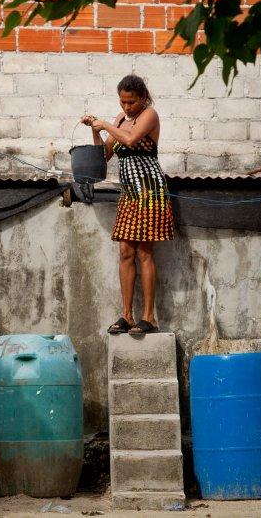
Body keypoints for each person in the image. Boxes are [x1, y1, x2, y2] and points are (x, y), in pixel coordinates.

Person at [81, 74, 174, 336]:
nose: (126, 107)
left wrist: (106, 125)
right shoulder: (120, 120)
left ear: (142, 98)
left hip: (150, 191)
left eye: (131, 102)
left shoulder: (149, 115)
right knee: (125, 253)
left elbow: (131, 140)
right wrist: (95, 129)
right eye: (123, 102)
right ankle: (127, 315)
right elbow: (105, 155)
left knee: (144, 252)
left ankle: (149, 318)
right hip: (130, 194)